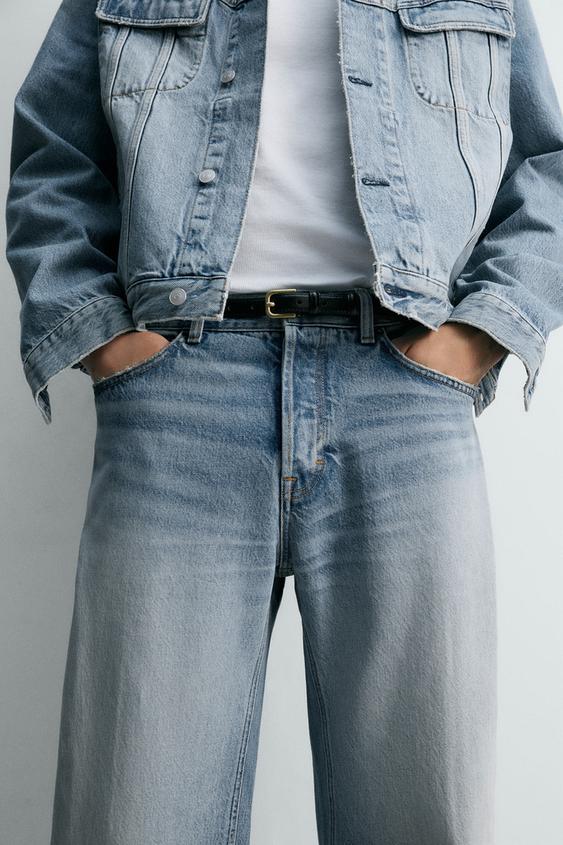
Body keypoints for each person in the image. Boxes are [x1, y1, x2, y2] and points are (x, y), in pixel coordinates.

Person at [5, 0, 562, 842]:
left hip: (404, 397)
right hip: (179, 400)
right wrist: (108, 344)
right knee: (136, 808)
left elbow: (545, 170)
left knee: (422, 807)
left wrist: (475, 338)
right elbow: (52, 157)